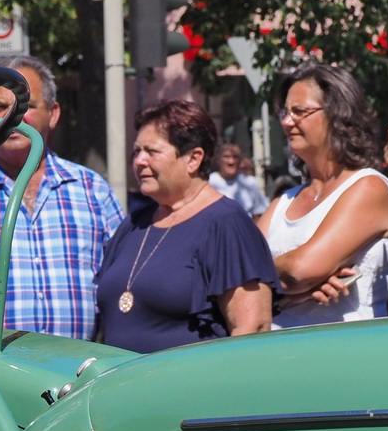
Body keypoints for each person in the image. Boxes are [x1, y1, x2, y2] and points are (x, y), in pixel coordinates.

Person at [0, 55, 123, 340]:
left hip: (80, 370)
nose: (12, 116)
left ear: (53, 113)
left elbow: (125, 277)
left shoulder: (91, 189)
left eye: (25, 105)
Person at [95, 100, 276, 351]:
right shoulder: (135, 223)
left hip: (191, 387)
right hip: (122, 386)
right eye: (137, 151)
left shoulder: (226, 224)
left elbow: (251, 330)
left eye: (152, 151)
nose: (139, 161)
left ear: (193, 159)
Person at [256, 65, 388, 326]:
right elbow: (234, 277)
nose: (287, 122)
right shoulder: (282, 202)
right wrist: (289, 296)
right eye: (285, 112)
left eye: (300, 112)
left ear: (338, 116)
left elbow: (300, 270)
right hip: (276, 352)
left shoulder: (369, 187)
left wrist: (278, 280)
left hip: (344, 351)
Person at [208, 142, 269, 215]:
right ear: (218, 159)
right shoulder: (209, 183)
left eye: (235, 157)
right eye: (226, 157)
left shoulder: (250, 183)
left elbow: (258, 213)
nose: (231, 161)